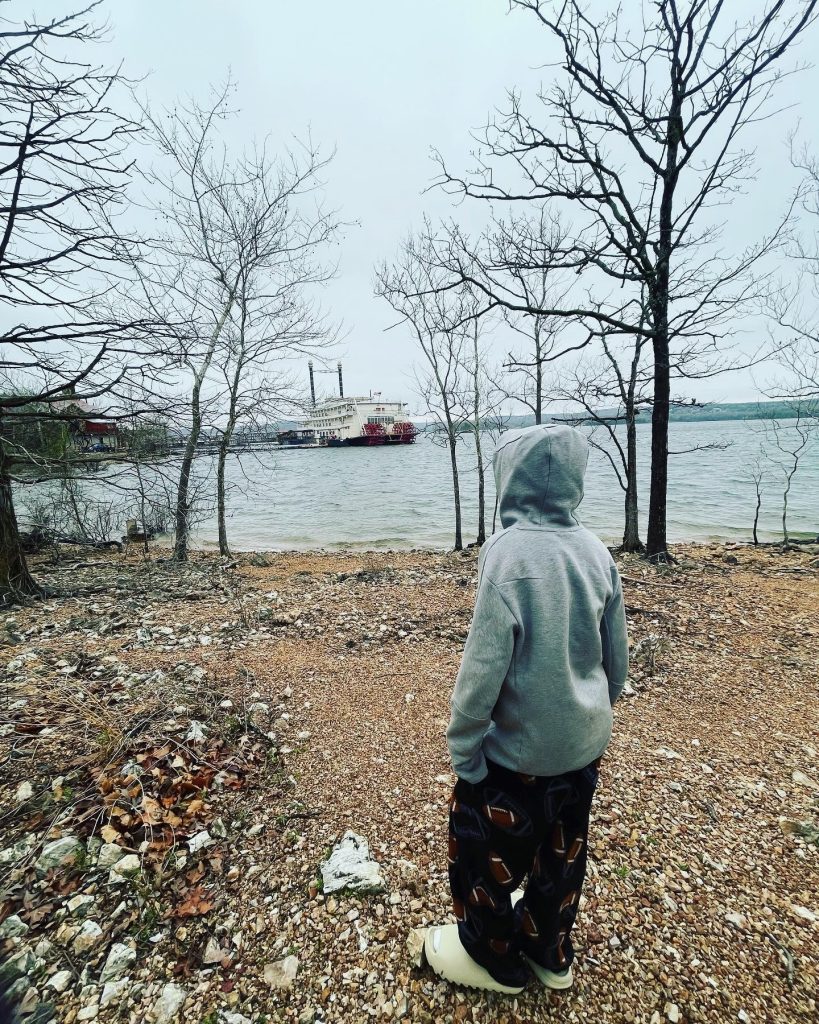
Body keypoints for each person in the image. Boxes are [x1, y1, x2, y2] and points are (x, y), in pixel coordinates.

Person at [424, 424, 629, 994]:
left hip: (517, 758)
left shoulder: (506, 554)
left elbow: (483, 667)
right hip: (583, 747)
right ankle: (549, 951)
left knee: (481, 856)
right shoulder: (597, 553)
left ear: (509, 477)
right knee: (562, 857)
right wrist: (591, 711)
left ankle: (494, 959)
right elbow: (617, 662)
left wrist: (465, 747)